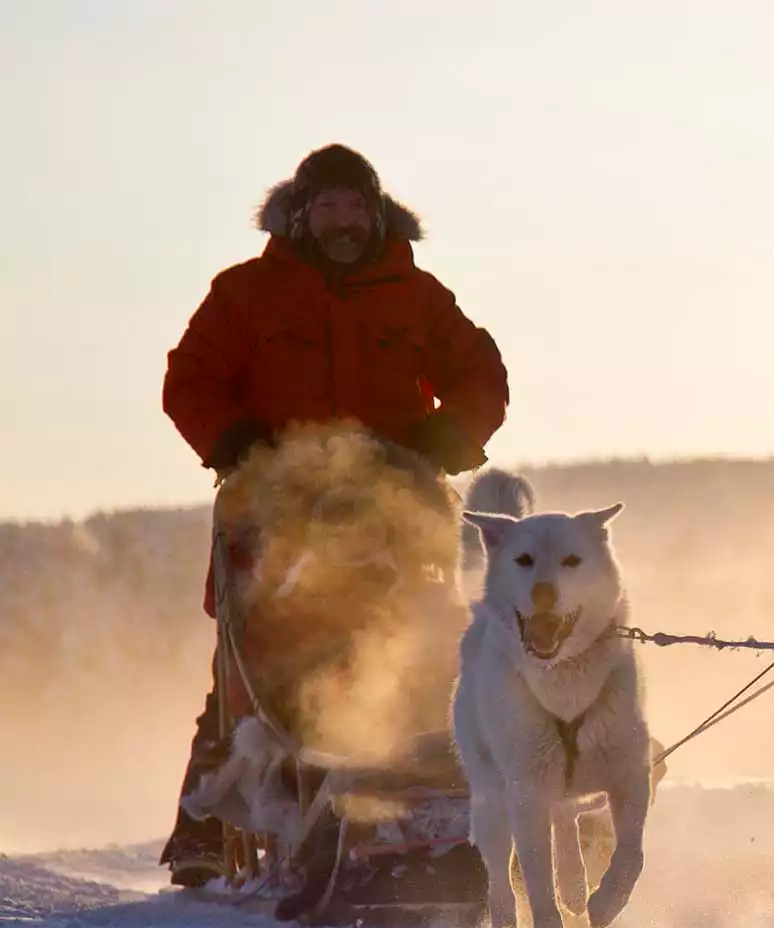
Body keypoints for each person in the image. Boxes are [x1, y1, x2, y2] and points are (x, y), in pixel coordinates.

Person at [157, 144, 510, 885]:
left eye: (356, 208)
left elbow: (480, 373)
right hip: (275, 506)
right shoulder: (246, 293)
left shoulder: (415, 296)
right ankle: (203, 821)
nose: (344, 222)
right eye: (329, 209)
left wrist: (449, 437)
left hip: (396, 505)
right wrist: (234, 443)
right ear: (301, 215)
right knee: (254, 663)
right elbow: (191, 378)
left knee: (426, 641)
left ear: (376, 214)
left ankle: (449, 793)